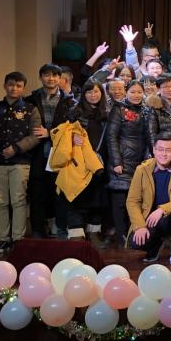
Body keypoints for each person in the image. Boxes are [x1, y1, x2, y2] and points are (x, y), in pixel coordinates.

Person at [125, 136, 171, 265]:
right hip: (150, 220)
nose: (164, 154)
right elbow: (132, 201)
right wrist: (140, 226)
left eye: (168, 150)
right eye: (160, 149)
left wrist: (162, 209)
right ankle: (155, 246)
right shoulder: (142, 170)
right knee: (135, 242)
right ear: (154, 150)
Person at [0, 72, 44, 252]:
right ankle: (2, 238)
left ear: (23, 88)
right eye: (10, 85)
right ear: (4, 85)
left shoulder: (31, 109)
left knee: (18, 200)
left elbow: (36, 136)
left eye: (18, 85)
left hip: (20, 161)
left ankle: (18, 239)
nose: (14, 88)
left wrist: (16, 148)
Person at [61, 78, 110, 244]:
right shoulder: (75, 112)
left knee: (97, 198)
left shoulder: (107, 113)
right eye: (89, 92)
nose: (93, 95)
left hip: (100, 162)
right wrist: (71, 137)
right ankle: (76, 233)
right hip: (79, 162)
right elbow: (60, 133)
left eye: (96, 91)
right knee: (77, 196)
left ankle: (94, 232)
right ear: (84, 94)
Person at [27, 63, 73, 236]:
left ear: (60, 78)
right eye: (46, 75)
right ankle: (38, 230)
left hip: (60, 152)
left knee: (59, 192)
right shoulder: (31, 100)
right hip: (37, 152)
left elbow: (70, 127)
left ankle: (59, 227)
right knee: (37, 193)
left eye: (55, 75)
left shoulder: (69, 101)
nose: (51, 78)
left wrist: (50, 133)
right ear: (40, 77)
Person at [105, 80, 150, 247]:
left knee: (136, 201)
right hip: (122, 161)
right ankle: (121, 235)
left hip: (139, 161)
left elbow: (149, 137)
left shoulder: (146, 110)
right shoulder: (118, 109)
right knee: (120, 202)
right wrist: (117, 161)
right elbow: (111, 136)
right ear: (126, 92)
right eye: (133, 92)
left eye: (139, 92)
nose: (136, 95)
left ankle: (134, 234)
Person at [145, 74, 171, 146]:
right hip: (162, 147)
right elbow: (151, 133)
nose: (170, 89)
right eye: (165, 87)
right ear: (158, 88)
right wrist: (155, 149)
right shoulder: (154, 106)